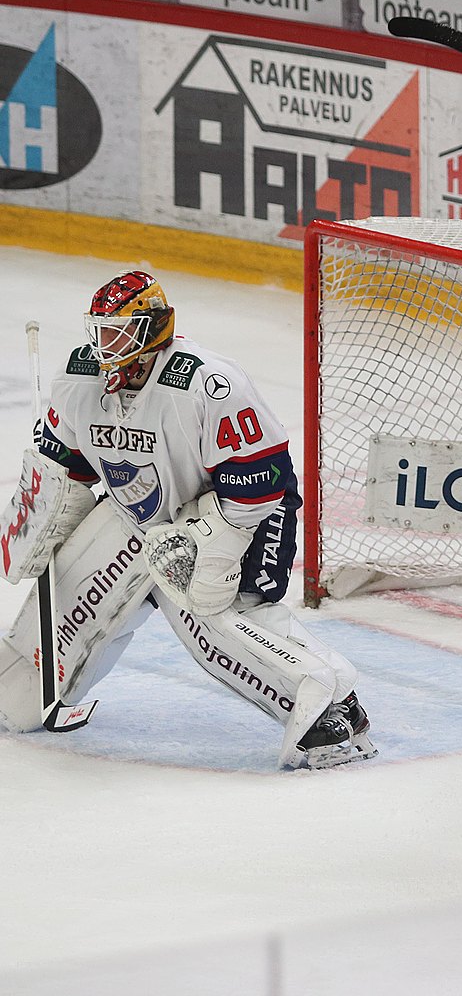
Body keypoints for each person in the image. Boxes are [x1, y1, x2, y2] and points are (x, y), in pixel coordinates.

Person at [0, 270, 376, 769]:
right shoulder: (80, 379)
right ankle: (19, 686)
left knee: (213, 615)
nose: (106, 345)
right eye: (101, 331)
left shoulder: (207, 384)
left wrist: (213, 551)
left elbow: (260, 481)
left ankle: (329, 706)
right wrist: (38, 524)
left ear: (154, 329)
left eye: (120, 332)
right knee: (74, 587)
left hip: (244, 509)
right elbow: (66, 469)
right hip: (147, 516)